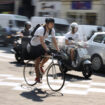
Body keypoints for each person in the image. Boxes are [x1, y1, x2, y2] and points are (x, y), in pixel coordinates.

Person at [29, 18, 60, 83]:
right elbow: (42, 41)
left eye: (53, 23)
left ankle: (41, 66)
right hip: (34, 45)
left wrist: (58, 49)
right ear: (47, 24)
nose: (52, 25)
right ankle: (37, 78)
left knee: (48, 55)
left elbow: (54, 40)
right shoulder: (41, 29)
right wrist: (47, 49)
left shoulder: (52, 30)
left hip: (41, 44)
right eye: (51, 23)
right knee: (37, 60)